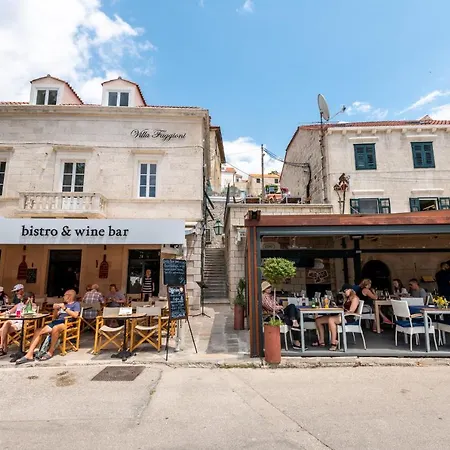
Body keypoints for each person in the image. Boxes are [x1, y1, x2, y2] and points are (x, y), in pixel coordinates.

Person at [16, 289, 80, 364]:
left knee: (55, 328)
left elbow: (76, 315)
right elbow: (55, 317)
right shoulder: (63, 304)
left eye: (65, 295)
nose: (63, 296)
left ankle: (50, 351)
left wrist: (64, 308)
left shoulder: (76, 304)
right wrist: (55, 309)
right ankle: (29, 354)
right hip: (57, 321)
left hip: (68, 323)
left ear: (70, 296)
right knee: (38, 331)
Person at [314, 284, 359, 351]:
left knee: (331, 319)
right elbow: (344, 307)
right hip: (341, 315)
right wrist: (338, 307)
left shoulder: (355, 298)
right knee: (318, 320)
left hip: (348, 318)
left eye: (345, 291)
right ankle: (321, 341)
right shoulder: (348, 298)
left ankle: (334, 343)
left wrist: (341, 312)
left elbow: (351, 311)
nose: (344, 293)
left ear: (350, 290)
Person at [261, 281, 303, 350]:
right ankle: (296, 341)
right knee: (294, 317)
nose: (270, 288)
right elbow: (272, 308)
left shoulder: (270, 296)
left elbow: (276, 305)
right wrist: (281, 307)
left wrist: (279, 306)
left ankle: (294, 321)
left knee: (292, 307)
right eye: (268, 287)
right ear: (264, 289)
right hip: (273, 315)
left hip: (279, 313)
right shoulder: (264, 297)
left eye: (270, 287)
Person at [0, 292, 36, 357]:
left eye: (32, 298)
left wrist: (29, 304)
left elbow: (32, 314)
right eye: (30, 297)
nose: (31, 299)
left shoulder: (33, 306)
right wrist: (2, 314)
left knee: (2, 330)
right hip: (14, 320)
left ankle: (4, 348)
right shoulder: (19, 305)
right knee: (6, 323)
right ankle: (1, 346)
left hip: (22, 323)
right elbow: (9, 312)